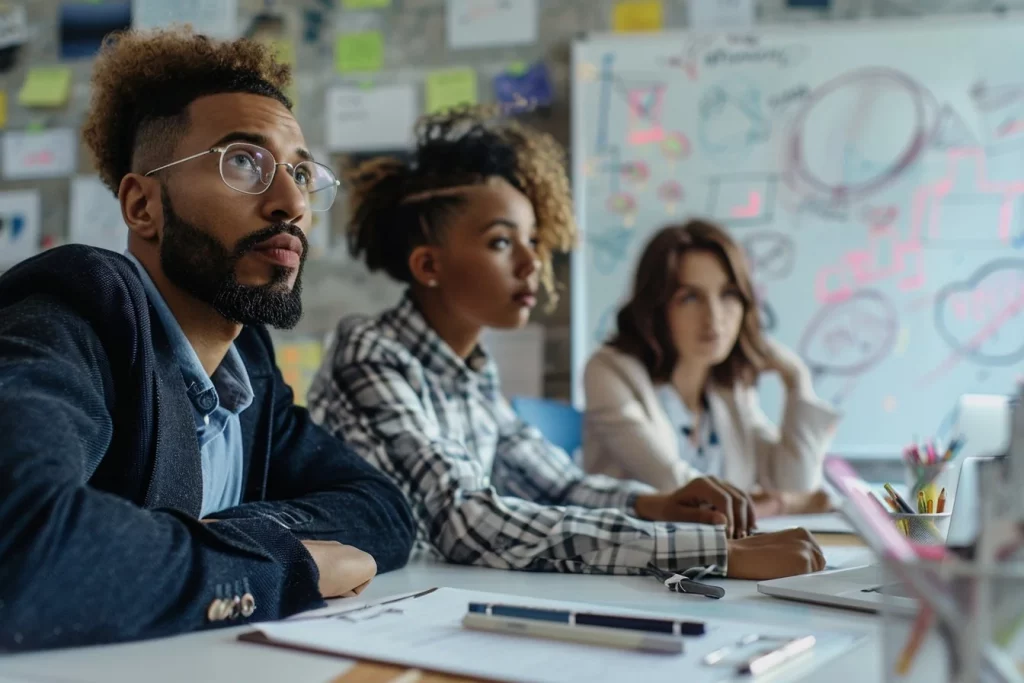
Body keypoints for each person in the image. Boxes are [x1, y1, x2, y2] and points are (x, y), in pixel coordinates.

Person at [0, 29, 415, 652]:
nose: (290, 202)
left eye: (301, 172)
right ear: (143, 206)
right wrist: (275, 561)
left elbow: (381, 508)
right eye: (244, 162)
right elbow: (23, 543)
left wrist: (225, 535)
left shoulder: (245, 368)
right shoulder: (73, 315)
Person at [308, 107, 825, 584]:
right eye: (502, 242)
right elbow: (465, 521)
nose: (533, 263)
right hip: (374, 607)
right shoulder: (371, 351)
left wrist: (660, 504)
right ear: (429, 266)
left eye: (534, 240)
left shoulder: (472, 372)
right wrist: (709, 551)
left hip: (430, 593)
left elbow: (557, 484)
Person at [582, 221, 839, 517]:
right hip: (640, 555)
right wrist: (784, 504)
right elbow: (683, 493)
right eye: (690, 298)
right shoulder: (610, 372)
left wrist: (797, 379)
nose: (714, 317)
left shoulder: (729, 391)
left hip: (724, 556)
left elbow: (797, 485)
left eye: (728, 294)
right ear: (656, 308)